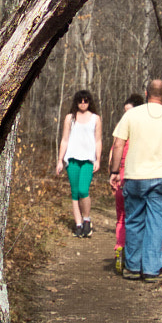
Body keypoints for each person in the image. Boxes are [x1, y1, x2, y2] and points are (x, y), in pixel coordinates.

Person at [108, 77, 162, 280]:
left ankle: (133, 267)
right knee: (157, 223)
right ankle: (152, 269)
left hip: (135, 177)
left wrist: (115, 171)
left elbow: (118, 144)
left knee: (134, 220)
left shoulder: (132, 116)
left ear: (146, 94)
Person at [56, 87, 102, 238]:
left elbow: (98, 140)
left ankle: (87, 219)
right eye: (80, 101)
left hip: (88, 159)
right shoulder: (70, 118)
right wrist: (60, 160)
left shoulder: (95, 118)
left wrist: (98, 159)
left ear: (89, 102)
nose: (83, 103)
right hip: (72, 159)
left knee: (83, 190)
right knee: (75, 193)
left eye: (86, 101)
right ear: (76, 102)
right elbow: (64, 139)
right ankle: (78, 224)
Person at [109, 94, 144, 274]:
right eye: (125, 113)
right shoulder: (144, 131)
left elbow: (113, 151)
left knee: (123, 218)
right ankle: (131, 255)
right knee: (132, 218)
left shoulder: (123, 131)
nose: (126, 117)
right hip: (131, 176)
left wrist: (113, 173)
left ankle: (120, 248)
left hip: (126, 176)